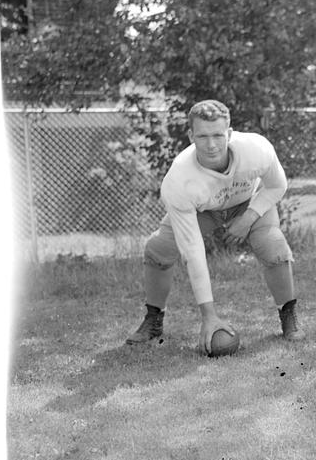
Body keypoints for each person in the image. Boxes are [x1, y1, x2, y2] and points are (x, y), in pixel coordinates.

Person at [127, 99, 302, 353]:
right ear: (191, 136)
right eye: (203, 136)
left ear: (229, 133)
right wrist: (208, 315)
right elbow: (193, 251)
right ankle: (153, 320)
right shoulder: (179, 180)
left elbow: (277, 186)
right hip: (203, 210)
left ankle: (289, 315)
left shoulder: (256, 148)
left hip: (247, 204)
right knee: (158, 249)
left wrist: (249, 218)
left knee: (274, 246)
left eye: (218, 135)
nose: (211, 145)